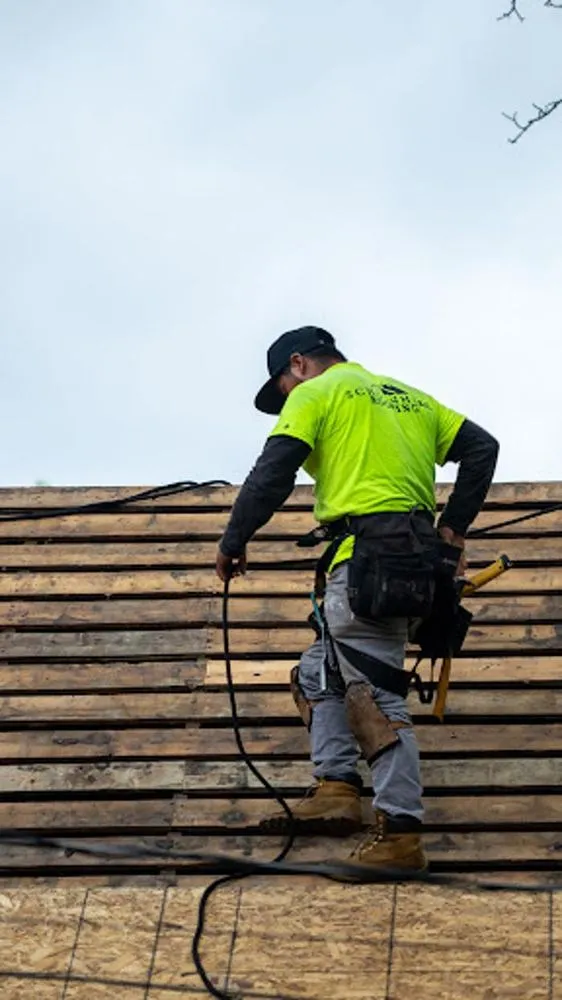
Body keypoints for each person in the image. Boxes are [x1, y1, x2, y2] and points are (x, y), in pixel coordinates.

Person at [216, 326, 499, 873]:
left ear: (298, 365)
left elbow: (272, 471)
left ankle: (400, 833)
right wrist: (452, 531)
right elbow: (482, 448)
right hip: (413, 562)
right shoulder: (409, 397)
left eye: (281, 389)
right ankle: (337, 786)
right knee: (318, 672)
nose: (284, 403)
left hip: (369, 561)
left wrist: (233, 541)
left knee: (374, 696)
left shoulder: (316, 395)